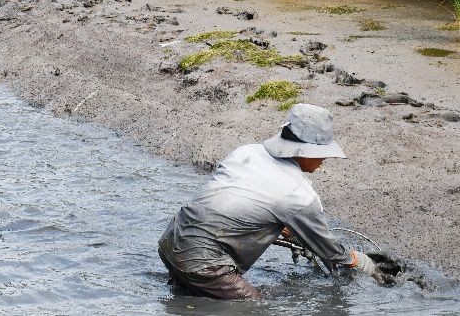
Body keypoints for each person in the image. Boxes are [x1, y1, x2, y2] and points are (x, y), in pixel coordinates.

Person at [157, 104, 390, 300]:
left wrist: (289, 231)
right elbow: (332, 252)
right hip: (203, 263)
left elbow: (235, 206)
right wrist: (359, 261)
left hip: (170, 241)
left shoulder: (246, 152)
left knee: (188, 297)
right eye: (323, 153)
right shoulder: (299, 196)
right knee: (254, 308)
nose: (324, 160)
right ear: (305, 152)